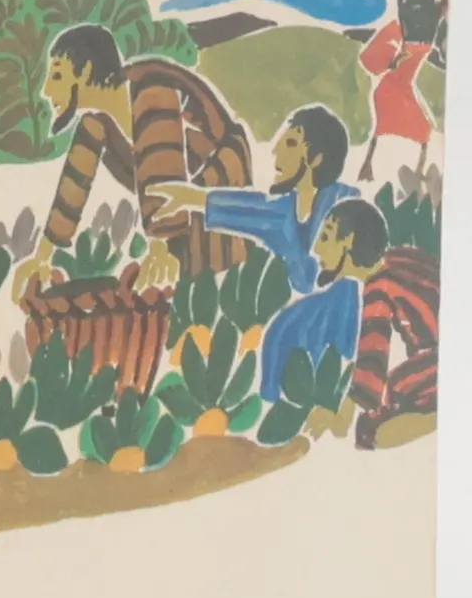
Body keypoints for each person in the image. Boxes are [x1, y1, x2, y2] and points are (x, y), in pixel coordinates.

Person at [8, 23, 255, 303]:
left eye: (57, 76)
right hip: (173, 207)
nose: (46, 90)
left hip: (218, 181)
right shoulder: (96, 121)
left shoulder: (152, 89)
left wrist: (160, 248)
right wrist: (42, 258)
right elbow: (73, 186)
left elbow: (162, 165)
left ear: (85, 71)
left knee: (210, 289)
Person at [152, 106, 359, 399]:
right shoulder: (283, 213)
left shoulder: (346, 205)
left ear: (316, 159)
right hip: (294, 345)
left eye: (291, 143)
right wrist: (190, 198)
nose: (276, 151)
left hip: (343, 341)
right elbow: (248, 208)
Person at [339, 203, 440, 448]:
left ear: (349, 242)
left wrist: (345, 413)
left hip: (437, 365)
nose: (318, 250)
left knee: (370, 428)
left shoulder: (379, 285)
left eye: (325, 238)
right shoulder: (397, 258)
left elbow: (372, 360)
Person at [356, 0, 448, 183]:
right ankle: (368, 166)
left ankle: (415, 170)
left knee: (422, 130)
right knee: (391, 129)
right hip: (392, 91)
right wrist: (393, 61)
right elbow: (372, 62)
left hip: (404, 90)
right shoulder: (400, 32)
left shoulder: (428, 33)